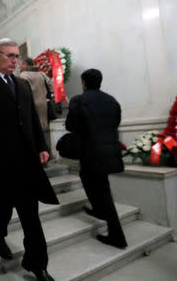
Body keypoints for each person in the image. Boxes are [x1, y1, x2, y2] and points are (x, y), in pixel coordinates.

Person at [0, 38, 59, 281]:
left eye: (16, 56)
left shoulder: (22, 84)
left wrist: (42, 146)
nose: (14, 60)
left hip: (27, 161)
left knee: (31, 217)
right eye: (9, 56)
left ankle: (38, 265)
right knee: (2, 210)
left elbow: (32, 119)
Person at [65, 68, 128, 249]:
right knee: (98, 183)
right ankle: (99, 210)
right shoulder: (112, 101)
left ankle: (117, 237)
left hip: (90, 152)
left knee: (101, 191)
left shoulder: (79, 100)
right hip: (110, 151)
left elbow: (70, 126)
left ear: (83, 83)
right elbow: (115, 123)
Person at [18, 57, 52, 131]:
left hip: (31, 105)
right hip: (43, 104)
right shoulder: (42, 74)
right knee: (43, 127)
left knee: (34, 128)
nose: (18, 66)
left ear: (25, 64)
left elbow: (22, 92)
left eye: (19, 64)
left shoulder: (23, 75)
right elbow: (50, 85)